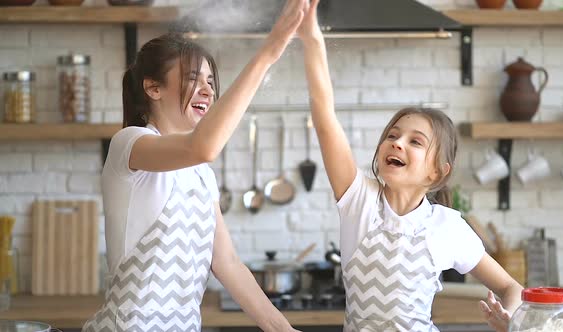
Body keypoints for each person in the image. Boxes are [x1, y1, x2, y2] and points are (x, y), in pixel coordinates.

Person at [297, 1, 524, 331]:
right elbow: (324, 118)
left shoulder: (447, 228)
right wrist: (312, 41)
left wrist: (511, 320)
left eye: (415, 141)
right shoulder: (359, 201)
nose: (397, 142)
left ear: (437, 172)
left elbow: (511, 288)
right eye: (392, 134)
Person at [82, 1, 307, 331]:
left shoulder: (200, 174)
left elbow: (226, 263)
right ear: (153, 87)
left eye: (210, 81)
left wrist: (284, 330)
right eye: (193, 78)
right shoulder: (129, 144)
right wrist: (266, 54)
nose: (207, 89)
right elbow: (203, 146)